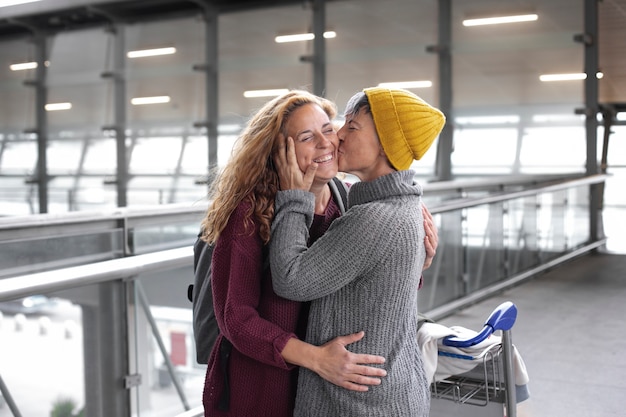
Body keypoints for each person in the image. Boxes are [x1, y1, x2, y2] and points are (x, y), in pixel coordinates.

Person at [200, 90, 392, 417]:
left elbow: (368, 277)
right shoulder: (250, 214)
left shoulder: (346, 201)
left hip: (323, 385)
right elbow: (236, 319)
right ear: (278, 152)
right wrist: (317, 359)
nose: (325, 143)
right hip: (264, 385)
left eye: (328, 129)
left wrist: (421, 260)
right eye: (306, 137)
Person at [270, 87, 446, 416]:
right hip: (391, 394)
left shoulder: (374, 218)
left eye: (352, 126)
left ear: (387, 144)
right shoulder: (404, 205)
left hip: (359, 405)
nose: (338, 135)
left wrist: (294, 196)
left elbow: (290, 279)